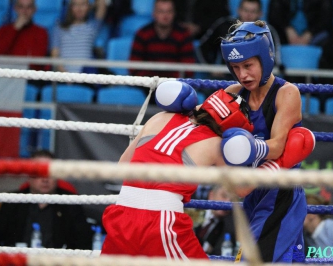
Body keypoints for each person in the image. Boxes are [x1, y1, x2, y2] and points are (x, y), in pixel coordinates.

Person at [154, 20, 316, 262]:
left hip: (281, 194)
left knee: (250, 260)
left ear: (265, 57)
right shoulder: (233, 94)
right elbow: (198, 121)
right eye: (236, 67)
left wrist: (249, 148)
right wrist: (183, 106)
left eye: (248, 65)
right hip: (250, 194)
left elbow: (279, 146)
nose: (243, 74)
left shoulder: (286, 93)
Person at [101, 80, 256, 260]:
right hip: (161, 222)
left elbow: (123, 165)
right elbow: (242, 189)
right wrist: (274, 160)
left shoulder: (160, 117)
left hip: (122, 214)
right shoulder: (216, 144)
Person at [0, 150, 93, 249]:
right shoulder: (14, 201)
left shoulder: (70, 202)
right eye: (39, 172)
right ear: (29, 176)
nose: (45, 179)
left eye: (50, 173)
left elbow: (85, 242)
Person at [129, 0, 195, 90]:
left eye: (169, 11)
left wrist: (169, 81)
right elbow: (134, 66)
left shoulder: (183, 35)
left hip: (175, 86)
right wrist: (152, 81)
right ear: (154, 14)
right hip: (147, 86)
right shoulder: (143, 34)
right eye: (161, 11)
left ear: (174, 13)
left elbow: (188, 69)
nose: (165, 16)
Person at [51, 0, 107, 74]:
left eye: (83, 5)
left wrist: (90, 6)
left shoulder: (92, 27)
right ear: (70, 7)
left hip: (86, 76)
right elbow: (54, 56)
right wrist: (66, 75)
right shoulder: (59, 28)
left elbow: (102, 4)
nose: (79, 9)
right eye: (75, 5)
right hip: (64, 76)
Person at [0, 0, 49, 72]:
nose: (25, 11)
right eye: (21, 7)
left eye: (29, 7)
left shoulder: (41, 32)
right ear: (15, 8)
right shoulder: (3, 30)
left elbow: (37, 61)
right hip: (7, 73)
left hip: (30, 75)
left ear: (34, 9)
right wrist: (15, 28)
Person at [268, 0, 333, 46]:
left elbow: (327, 17)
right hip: (284, 34)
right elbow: (274, 15)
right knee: (269, 36)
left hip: (315, 34)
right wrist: (287, 28)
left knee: (328, 38)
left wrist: (310, 33)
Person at [194, 185, 237, 256]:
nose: (228, 202)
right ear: (211, 195)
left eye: (232, 200)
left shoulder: (230, 224)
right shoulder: (194, 212)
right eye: (224, 196)